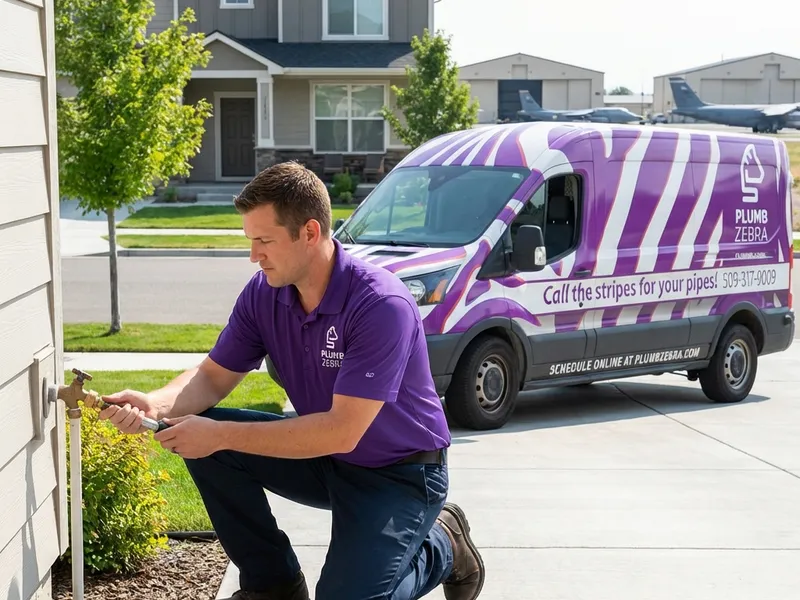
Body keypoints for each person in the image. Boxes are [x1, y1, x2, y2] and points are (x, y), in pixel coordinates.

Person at [98, 161, 485, 600]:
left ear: (310, 232)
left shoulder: (381, 304)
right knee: (199, 436)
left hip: (399, 474)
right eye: (250, 240)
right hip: (324, 460)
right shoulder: (265, 293)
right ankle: (274, 586)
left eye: (264, 240)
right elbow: (211, 377)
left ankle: (444, 544)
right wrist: (155, 404)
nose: (253, 255)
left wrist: (221, 435)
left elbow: (343, 430)